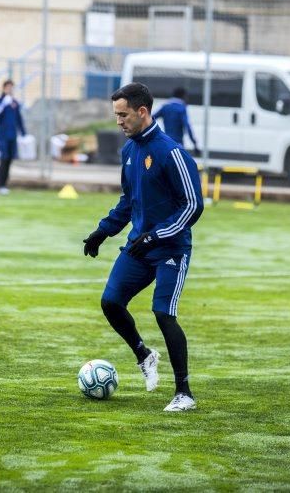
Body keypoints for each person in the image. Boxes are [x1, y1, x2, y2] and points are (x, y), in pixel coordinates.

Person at [82, 82, 204, 412]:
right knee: (110, 302)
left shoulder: (171, 153)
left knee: (163, 313)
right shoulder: (129, 152)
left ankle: (184, 393)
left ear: (142, 112)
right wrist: (102, 231)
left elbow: (192, 206)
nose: (118, 122)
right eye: (115, 116)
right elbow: (128, 201)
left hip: (171, 249)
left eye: (123, 115)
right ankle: (144, 355)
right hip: (139, 246)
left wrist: (157, 236)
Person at [0, 79, 25, 195]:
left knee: (10, 160)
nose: (10, 90)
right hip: (2, 136)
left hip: (12, 136)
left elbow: (19, 119)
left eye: (12, 88)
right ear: (4, 88)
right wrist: (4, 104)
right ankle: (0, 185)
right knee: (3, 160)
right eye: (8, 88)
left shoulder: (15, 103)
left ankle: (5, 184)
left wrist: (24, 133)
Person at [152, 87, 200, 154]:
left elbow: (150, 119)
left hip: (165, 143)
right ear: (183, 96)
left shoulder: (165, 107)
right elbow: (187, 127)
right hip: (178, 144)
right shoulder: (181, 108)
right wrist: (194, 143)